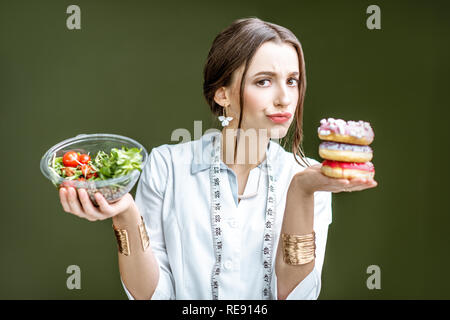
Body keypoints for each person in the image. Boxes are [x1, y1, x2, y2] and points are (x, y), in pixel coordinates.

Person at [58, 17, 377, 300]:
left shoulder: (310, 177)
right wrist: (125, 214)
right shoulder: (166, 166)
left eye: (292, 80)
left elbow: (293, 296)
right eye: (263, 81)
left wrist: (302, 190)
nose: (285, 98)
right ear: (221, 93)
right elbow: (151, 296)